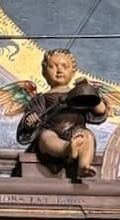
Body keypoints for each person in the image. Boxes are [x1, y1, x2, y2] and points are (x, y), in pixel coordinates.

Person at [16, 49, 109, 180]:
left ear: (73, 71)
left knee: (87, 136)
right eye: (52, 66)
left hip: (75, 131)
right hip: (50, 130)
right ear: (44, 71)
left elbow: (100, 110)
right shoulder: (41, 99)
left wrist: (89, 92)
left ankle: (84, 166)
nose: (59, 70)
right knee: (47, 138)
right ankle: (68, 148)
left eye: (64, 66)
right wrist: (30, 122)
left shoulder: (78, 94)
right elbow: (30, 120)